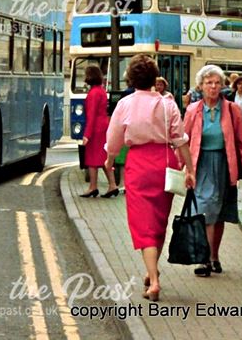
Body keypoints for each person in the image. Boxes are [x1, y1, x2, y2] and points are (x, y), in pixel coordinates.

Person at [105, 54, 195, 302]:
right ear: (154, 77)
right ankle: (151, 270)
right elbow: (181, 140)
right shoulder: (168, 104)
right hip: (165, 163)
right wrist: (190, 169)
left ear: (131, 79)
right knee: (158, 221)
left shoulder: (125, 104)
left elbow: (113, 141)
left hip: (139, 165)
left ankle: (154, 281)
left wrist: (110, 161)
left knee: (142, 223)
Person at [182, 64, 242, 278]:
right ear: (200, 86)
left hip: (224, 164)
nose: (213, 87)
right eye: (208, 83)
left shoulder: (232, 109)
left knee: (218, 212)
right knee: (205, 210)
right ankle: (203, 258)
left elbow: (241, 140)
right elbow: (183, 140)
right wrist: (182, 167)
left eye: (216, 83)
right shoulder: (193, 110)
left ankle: (214, 256)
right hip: (200, 165)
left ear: (222, 86)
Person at [80, 65, 118, 198]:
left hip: (95, 129)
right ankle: (112, 185)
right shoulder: (101, 91)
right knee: (103, 158)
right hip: (103, 127)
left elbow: (91, 115)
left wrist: (86, 134)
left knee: (91, 159)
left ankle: (93, 186)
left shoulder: (93, 93)